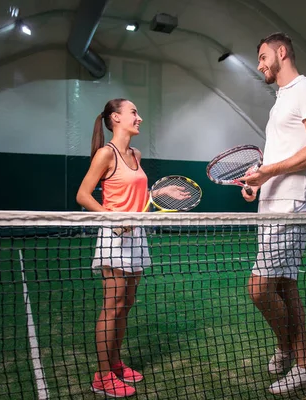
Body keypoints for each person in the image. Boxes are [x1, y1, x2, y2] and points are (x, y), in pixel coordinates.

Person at [241, 32, 306, 395]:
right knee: (285, 286)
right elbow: (279, 159)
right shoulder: (280, 102)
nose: (260, 64)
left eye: (263, 56)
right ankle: (304, 365)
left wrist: (270, 172)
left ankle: (288, 348)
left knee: (259, 289)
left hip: (292, 204)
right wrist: (258, 183)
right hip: (273, 203)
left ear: (282, 52)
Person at [76, 98, 189, 397]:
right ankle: (102, 376)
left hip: (137, 236)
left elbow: (138, 193)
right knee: (111, 307)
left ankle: (115, 363)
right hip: (113, 236)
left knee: (125, 306)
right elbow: (83, 195)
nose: (139, 118)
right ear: (115, 118)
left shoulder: (136, 154)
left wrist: (159, 192)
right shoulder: (106, 154)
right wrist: (112, 218)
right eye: (134, 113)